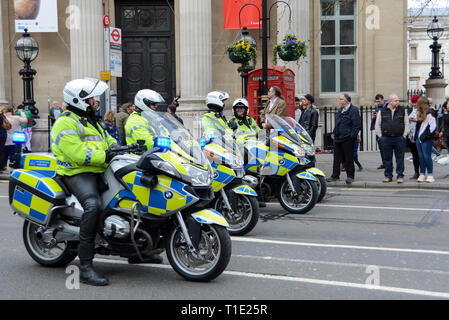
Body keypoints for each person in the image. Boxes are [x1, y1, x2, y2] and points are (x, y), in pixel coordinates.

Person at [51, 78, 122, 286]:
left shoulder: (91, 120)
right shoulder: (65, 122)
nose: (96, 102)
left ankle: (136, 250)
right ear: (79, 99)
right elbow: (77, 153)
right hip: (76, 172)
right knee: (94, 206)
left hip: (99, 170)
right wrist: (106, 155)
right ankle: (85, 266)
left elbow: (107, 141)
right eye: (92, 98)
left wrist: (124, 148)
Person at [327, 94, 361, 185]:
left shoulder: (353, 110)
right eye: (340, 99)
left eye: (341, 99)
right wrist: (334, 133)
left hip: (348, 138)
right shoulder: (340, 110)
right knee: (336, 158)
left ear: (347, 101)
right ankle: (335, 176)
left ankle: (350, 176)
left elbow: (357, 125)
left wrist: (351, 137)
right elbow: (337, 123)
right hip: (338, 138)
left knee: (348, 158)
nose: (340, 101)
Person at [375, 94, 410, 184]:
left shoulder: (402, 110)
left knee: (400, 158)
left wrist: (405, 134)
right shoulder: (382, 111)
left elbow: (407, 124)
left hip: (399, 138)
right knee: (387, 159)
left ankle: (400, 176)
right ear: (390, 101)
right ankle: (388, 176)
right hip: (386, 138)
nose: (398, 102)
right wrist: (380, 135)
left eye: (398, 100)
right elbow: (377, 124)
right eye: (396, 100)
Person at [415, 96, 437, 183]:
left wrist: (423, 137)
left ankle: (430, 174)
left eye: (418, 104)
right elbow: (419, 127)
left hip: (426, 139)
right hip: (419, 138)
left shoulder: (430, 113)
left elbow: (433, 128)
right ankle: (422, 173)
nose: (416, 105)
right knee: (420, 156)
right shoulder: (420, 113)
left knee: (426, 156)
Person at [1, 105, 27, 170]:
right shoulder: (16, 118)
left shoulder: (2, 118)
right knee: (14, 154)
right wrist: (22, 112)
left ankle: (3, 166)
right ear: (12, 110)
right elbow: (25, 120)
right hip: (15, 140)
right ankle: (13, 167)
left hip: (4, 140)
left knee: (4, 154)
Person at [371, 94, 388, 170]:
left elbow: (388, 117)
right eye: (377, 101)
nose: (378, 103)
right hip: (378, 130)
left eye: (379, 101)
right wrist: (374, 117)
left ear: (383, 99)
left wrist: (379, 115)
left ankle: (388, 163)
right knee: (381, 148)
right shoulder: (378, 107)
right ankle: (384, 163)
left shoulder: (387, 106)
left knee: (386, 148)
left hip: (385, 130)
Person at [407, 94, 421, 180]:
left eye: (415, 102)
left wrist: (417, 120)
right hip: (411, 136)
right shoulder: (410, 110)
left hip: (419, 136)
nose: (414, 104)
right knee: (415, 155)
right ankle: (416, 172)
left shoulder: (422, 110)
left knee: (421, 155)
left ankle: (423, 172)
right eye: (413, 102)